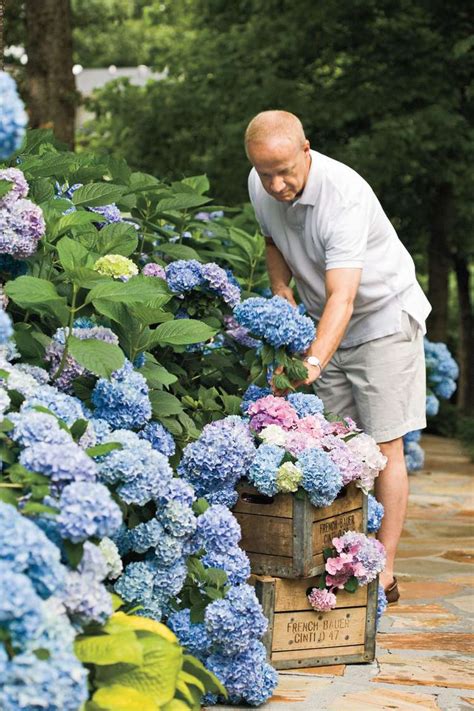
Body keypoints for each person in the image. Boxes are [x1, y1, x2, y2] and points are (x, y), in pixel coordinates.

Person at [245, 110, 431, 602]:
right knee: (335, 450)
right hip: (325, 325)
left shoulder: (342, 196)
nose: (277, 184)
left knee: (385, 446)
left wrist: (309, 364)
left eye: (286, 170)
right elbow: (271, 239)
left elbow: (343, 298)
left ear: (307, 148)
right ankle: (337, 559)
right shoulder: (259, 183)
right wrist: (280, 288)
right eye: (266, 173)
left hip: (382, 319)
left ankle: (383, 572)